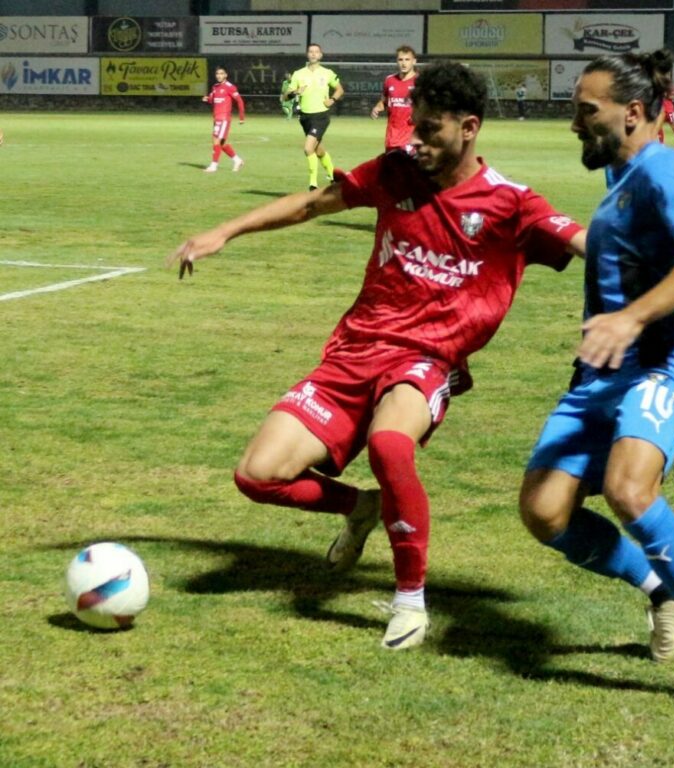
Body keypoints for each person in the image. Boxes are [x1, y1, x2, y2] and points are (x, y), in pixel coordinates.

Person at [169, 61, 585, 651]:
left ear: (469, 128)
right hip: (354, 350)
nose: (416, 140)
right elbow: (313, 204)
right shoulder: (396, 171)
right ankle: (363, 507)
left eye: (430, 130)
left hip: (426, 359)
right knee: (257, 475)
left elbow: (588, 244)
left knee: (390, 444)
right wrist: (224, 232)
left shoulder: (510, 202)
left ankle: (410, 601)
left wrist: (664, 283)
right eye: (414, 126)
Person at [518, 49, 674, 701]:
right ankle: (656, 588)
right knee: (544, 512)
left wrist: (634, 316)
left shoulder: (662, 167)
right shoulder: (621, 178)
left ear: (633, 113)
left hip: (660, 365)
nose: (575, 124)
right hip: (598, 376)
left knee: (628, 488)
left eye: (586, 111)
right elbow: (670, 258)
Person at [287, 43, 344, 190]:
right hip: (305, 117)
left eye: (316, 52)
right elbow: (285, 96)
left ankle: (313, 184)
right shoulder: (298, 74)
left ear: (320, 55)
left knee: (308, 148)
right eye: (311, 51)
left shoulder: (327, 73)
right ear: (307, 54)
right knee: (318, 150)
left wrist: (332, 99)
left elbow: (339, 89)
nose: (313, 54)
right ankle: (333, 176)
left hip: (321, 116)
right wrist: (295, 92)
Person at [370, 46, 417, 152]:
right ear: (396, 61)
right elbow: (384, 101)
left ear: (414, 61)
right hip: (392, 138)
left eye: (407, 59)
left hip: (411, 138)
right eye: (400, 60)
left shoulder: (420, 82)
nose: (403, 63)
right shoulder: (389, 80)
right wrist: (377, 107)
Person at [202, 66, 245, 173]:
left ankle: (213, 166)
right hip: (216, 118)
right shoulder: (215, 87)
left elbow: (239, 101)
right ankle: (237, 160)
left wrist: (241, 117)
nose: (219, 76)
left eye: (221, 73)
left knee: (216, 140)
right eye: (217, 74)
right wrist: (207, 99)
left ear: (226, 75)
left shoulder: (230, 87)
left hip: (224, 118)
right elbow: (213, 99)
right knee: (222, 143)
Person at [657, 83, 674, 151]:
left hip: (670, 109)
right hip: (662, 109)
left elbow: (673, 97)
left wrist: (667, 95)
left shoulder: (670, 87)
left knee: (673, 126)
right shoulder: (659, 87)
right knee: (659, 126)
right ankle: (661, 144)